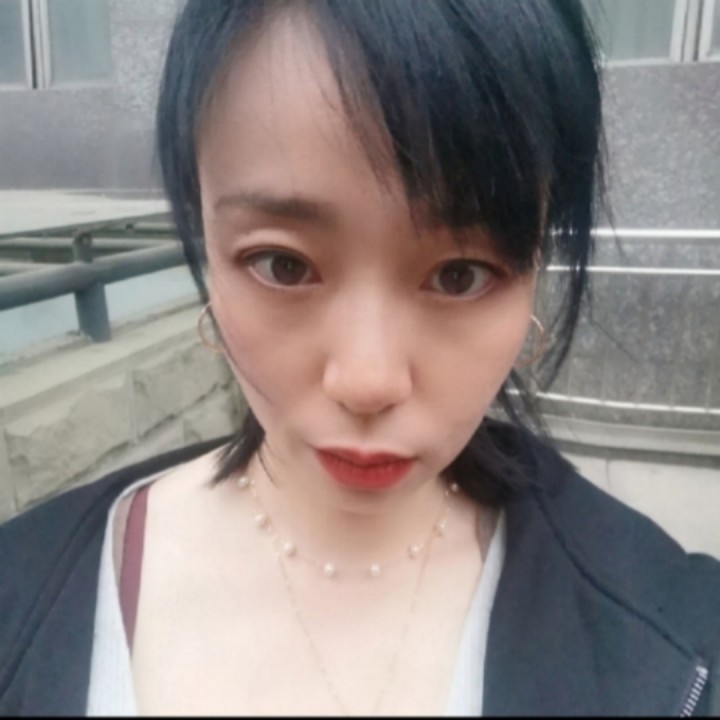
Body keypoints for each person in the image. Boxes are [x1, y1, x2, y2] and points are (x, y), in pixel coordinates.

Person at [2, 0, 720, 715]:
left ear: (533, 269)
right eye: (283, 265)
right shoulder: (23, 594)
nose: (367, 382)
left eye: (459, 275)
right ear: (206, 249)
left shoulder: (672, 644)